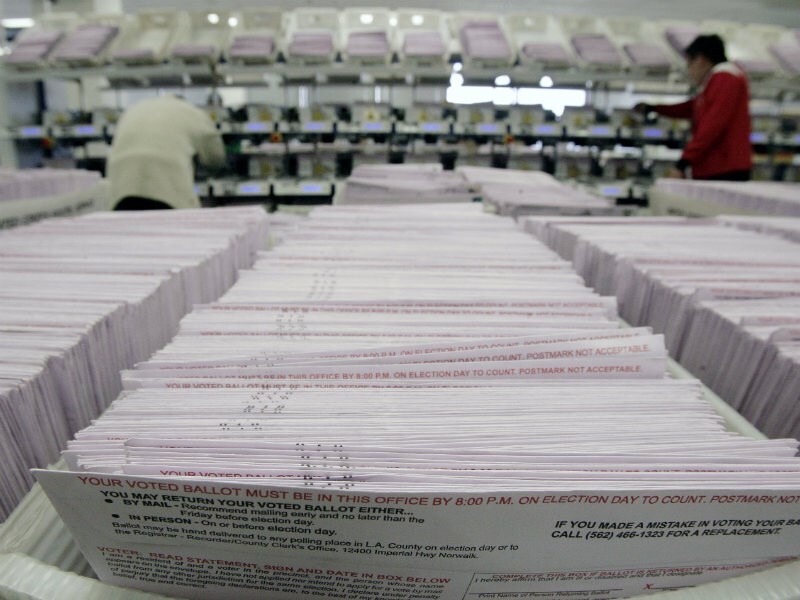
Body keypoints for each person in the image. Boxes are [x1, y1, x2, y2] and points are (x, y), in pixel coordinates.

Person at [634, 34, 752, 181]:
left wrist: (683, 162)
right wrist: (655, 108)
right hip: (718, 166)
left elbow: (712, 125)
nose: (689, 71)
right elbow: (693, 108)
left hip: (723, 168)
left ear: (701, 60)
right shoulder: (718, 80)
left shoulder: (725, 78)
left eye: (689, 64)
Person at [107, 95, 226, 210]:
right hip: (166, 189)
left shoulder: (135, 108)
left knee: (129, 228)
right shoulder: (190, 111)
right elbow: (215, 157)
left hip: (121, 188)